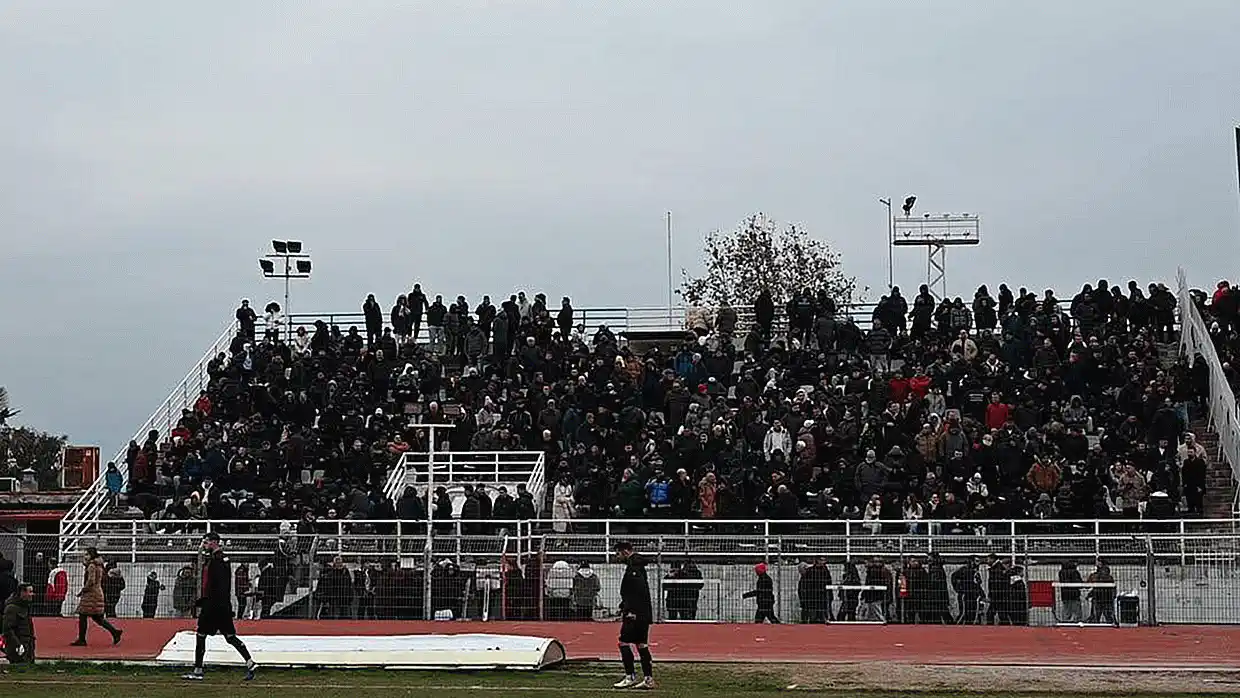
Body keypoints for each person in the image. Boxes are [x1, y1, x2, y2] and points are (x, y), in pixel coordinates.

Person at [183, 532, 258, 682]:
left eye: (206, 542)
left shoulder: (216, 561)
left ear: (214, 542)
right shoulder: (222, 559)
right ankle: (250, 663)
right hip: (222, 605)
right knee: (230, 637)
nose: (204, 545)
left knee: (201, 635)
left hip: (213, 606)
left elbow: (216, 585)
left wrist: (205, 601)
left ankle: (198, 670)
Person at [612, 541, 654, 690]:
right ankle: (648, 679)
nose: (617, 557)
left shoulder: (633, 568)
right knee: (641, 644)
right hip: (642, 613)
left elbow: (636, 592)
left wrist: (631, 610)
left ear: (625, 551)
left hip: (635, 613)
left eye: (617, 553)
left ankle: (630, 676)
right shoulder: (638, 566)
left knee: (623, 642)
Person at [70, 547, 122, 646]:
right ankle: (114, 632)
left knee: (83, 615)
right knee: (97, 617)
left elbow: (91, 580)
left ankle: (82, 639)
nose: (85, 556)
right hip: (97, 592)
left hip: (91, 594)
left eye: (87, 554)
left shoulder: (92, 566)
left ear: (91, 555)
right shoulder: (99, 565)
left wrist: (83, 590)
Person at [2, 582, 36, 663]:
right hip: (18, 650)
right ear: (22, 593)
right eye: (30, 592)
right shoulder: (11, 608)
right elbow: (7, 629)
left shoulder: (25, 607)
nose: (32, 594)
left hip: (27, 648)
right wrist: (18, 645)